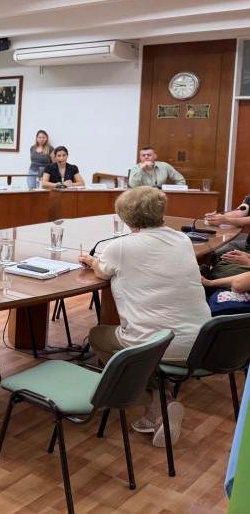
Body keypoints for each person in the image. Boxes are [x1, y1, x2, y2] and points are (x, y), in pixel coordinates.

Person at [78, 187, 209, 447]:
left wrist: (90, 260)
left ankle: (156, 405)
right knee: (147, 345)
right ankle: (162, 400)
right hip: (203, 342)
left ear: (126, 218)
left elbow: (102, 272)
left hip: (161, 345)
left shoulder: (122, 247)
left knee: (98, 336)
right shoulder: (182, 240)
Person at [202, 196, 250, 280]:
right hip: (248, 243)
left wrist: (226, 220)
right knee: (216, 255)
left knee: (217, 273)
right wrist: (218, 217)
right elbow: (240, 211)